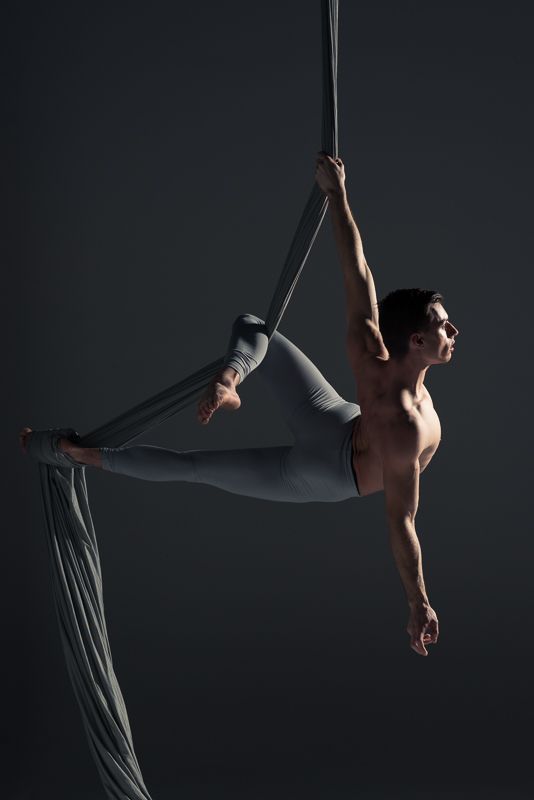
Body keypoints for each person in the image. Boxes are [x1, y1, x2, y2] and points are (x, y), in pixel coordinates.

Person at [19, 153, 458, 657]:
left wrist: (338, 196)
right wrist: (418, 600)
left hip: (336, 429)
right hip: (330, 462)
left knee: (242, 361)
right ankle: (223, 384)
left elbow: (358, 270)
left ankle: (117, 439)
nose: (453, 330)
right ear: (417, 341)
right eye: (444, 325)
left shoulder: (369, 348)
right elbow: (402, 521)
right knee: (210, 435)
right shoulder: (404, 425)